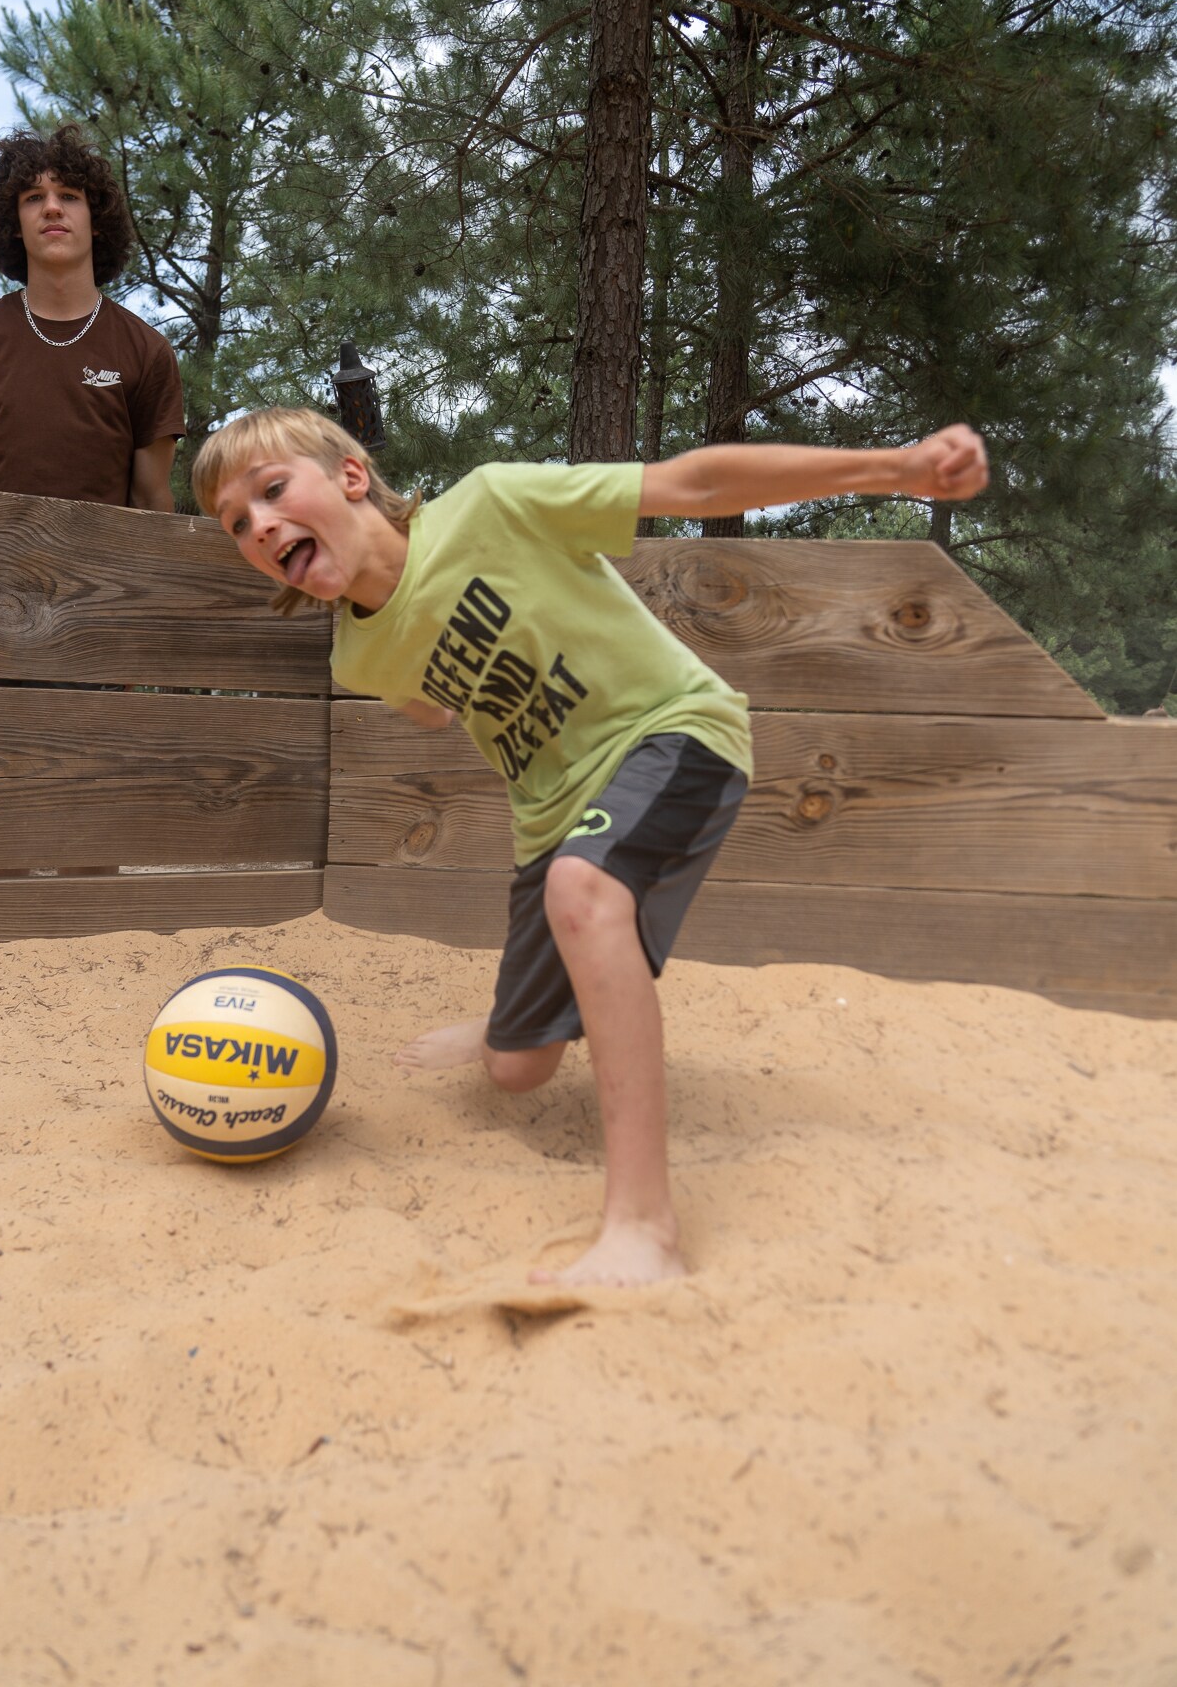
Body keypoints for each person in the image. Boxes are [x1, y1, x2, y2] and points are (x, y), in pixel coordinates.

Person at [192, 407, 989, 1289]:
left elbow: (696, 484)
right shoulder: (357, 658)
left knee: (583, 890)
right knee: (515, 1069)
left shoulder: (493, 507)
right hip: (553, 815)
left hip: (674, 732)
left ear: (349, 476)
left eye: (272, 491)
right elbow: (427, 696)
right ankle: (499, 1026)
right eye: (237, 524)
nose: (259, 525)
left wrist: (891, 467)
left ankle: (644, 1229)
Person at [0, 123, 184, 507]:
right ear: (15, 225)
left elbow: (152, 501)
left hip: (99, 566)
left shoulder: (147, 352)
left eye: (69, 195)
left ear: (96, 221)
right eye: (34, 197)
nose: (52, 207)